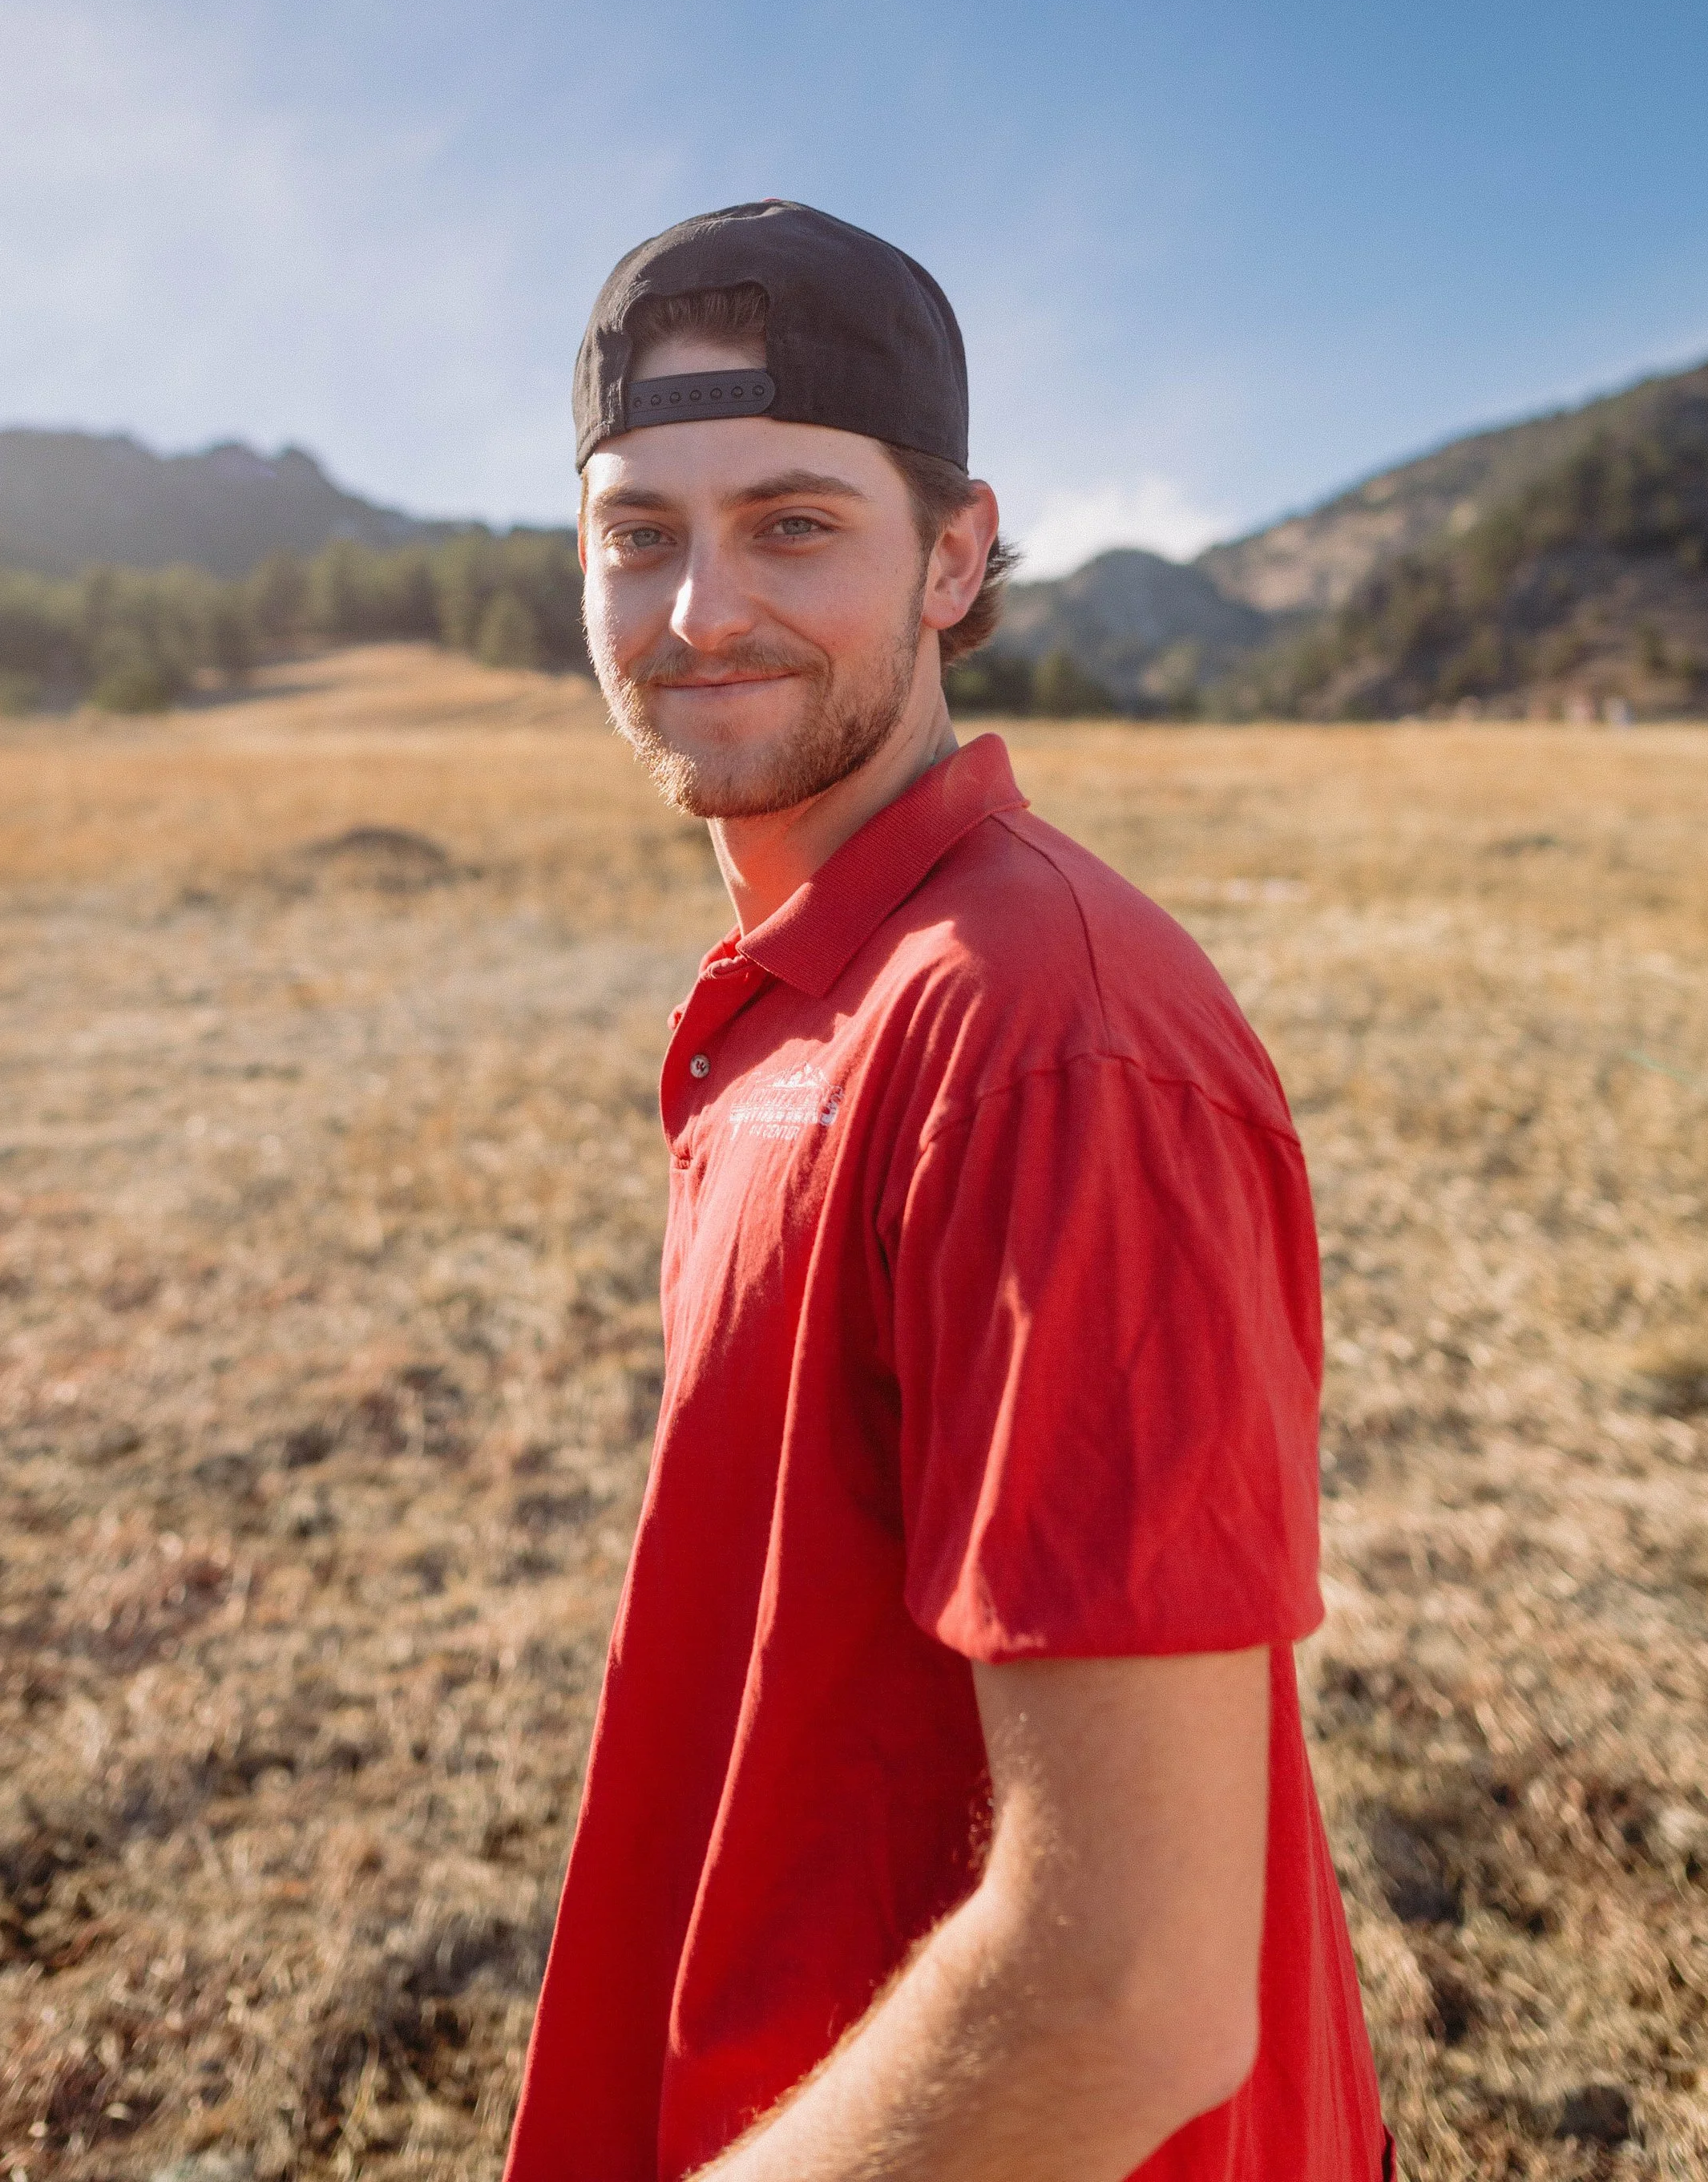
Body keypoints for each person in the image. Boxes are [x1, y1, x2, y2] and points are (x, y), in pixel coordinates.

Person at [501, 201, 1390, 2182]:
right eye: (638, 532)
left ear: (956, 556)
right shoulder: (805, 997)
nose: (695, 608)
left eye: (793, 523)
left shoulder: (1043, 1044)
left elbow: (1124, 1984)